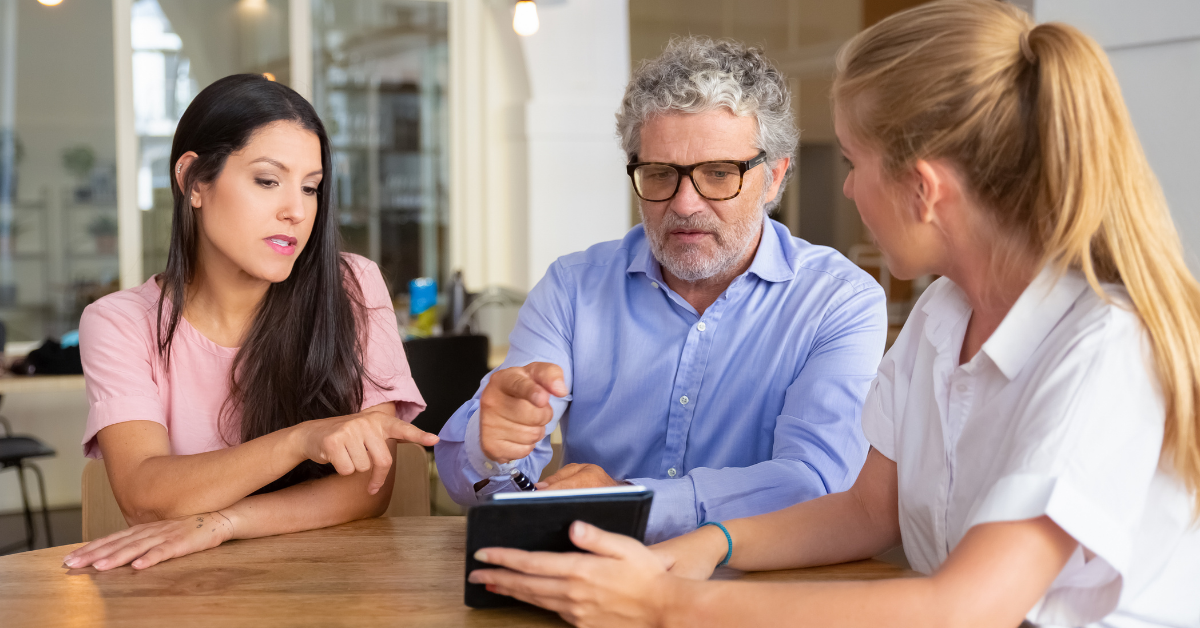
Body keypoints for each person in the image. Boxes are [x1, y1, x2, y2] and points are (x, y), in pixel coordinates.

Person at [466, 2, 1200, 626]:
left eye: (852, 163)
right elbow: (865, 511)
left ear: (923, 189)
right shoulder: (943, 316)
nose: (845, 190)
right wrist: (712, 544)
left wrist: (665, 604)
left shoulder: (1107, 348)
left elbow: (965, 607)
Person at [436, 37, 887, 543]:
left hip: (757, 580)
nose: (685, 204)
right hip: (592, 575)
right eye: (659, 174)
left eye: (719, 174)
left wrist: (629, 501)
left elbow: (817, 483)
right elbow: (473, 486)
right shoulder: (573, 288)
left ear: (774, 178)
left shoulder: (838, 302)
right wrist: (492, 450)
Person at [63, 74, 437, 572]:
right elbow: (146, 498)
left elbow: (368, 487)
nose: (296, 211)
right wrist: (300, 440)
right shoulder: (118, 322)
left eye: (311, 187)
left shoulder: (352, 286)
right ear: (194, 181)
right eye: (267, 181)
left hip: (334, 582)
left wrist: (225, 522)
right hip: (188, 591)